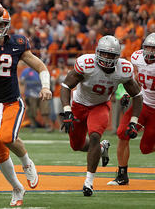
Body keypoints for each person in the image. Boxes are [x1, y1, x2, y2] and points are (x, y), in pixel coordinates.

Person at [0, 3, 52, 206]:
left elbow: (40, 66)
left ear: (8, 25)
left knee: (7, 137)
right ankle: (17, 188)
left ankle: (27, 162)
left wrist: (46, 86)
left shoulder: (18, 43)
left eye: (1, 24)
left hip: (11, 101)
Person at [60, 35, 143, 196]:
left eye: (111, 55)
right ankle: (101, 148)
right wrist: (67, 109)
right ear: (97, 52)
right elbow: (65, 85)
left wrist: (134, 121)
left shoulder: (123, 69)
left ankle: (88, 183)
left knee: (95, 136)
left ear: (117, 56)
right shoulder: (86, 63)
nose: (107, 58)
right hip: (79, 104)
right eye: (104, 53)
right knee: (76, 145)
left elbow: (137, 95)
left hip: (100, 105)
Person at [107, 33, 155, 186]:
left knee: (146, 148)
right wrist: (130, 93)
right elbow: (138, 79)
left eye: (154, 48)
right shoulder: (137, 58)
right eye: (147, 47)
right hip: (141, 104)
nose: (150, 51)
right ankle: (122, 175)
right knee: (122, 134)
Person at [20, 67, 51, 132]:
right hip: (31, 94)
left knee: (45, 110)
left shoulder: (42, 70)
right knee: (32, 111)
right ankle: (32, 125)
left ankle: (47, 125)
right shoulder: (26, 71)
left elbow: (47, 79)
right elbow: (21, 81)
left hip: (42, 93)